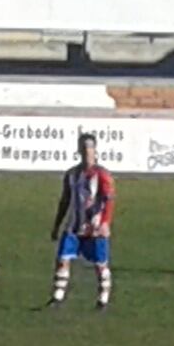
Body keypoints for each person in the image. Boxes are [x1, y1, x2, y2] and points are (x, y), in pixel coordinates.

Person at [47, 132, 116, 309]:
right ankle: (57, 297)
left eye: (90, 147)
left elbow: (109, 200)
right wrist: (57, 225)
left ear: (95, 150)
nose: (87, 151)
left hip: (95, 228)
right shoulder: (72, 174)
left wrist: (105, 222)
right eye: (84, 147)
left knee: (100, 264)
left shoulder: (102, 175)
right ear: (78, 149)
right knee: (63, 258)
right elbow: (65, 200)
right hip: (74, 226)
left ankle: (103, 299)